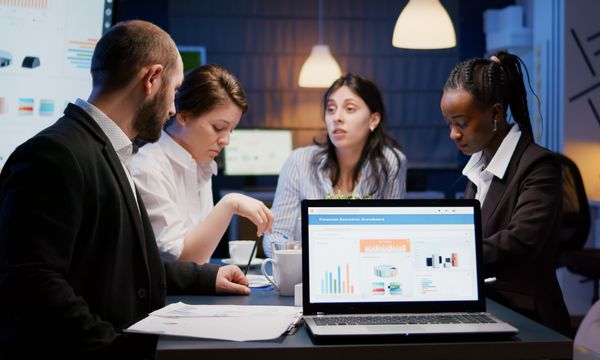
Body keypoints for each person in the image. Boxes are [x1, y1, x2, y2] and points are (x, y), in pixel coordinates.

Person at [0, 20, 251, 358]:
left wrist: (206, 279)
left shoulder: (108, 150)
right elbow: (33, 284)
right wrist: (117, 351)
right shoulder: (54, 154)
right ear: (152, 79)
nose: (174, 109)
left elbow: (125, 263)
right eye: (174, 91)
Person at [440, 51, 571, 335]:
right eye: (449, 123)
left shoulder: (540, 166)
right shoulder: (480, 164)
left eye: (461, 123)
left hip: (528, 317)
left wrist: (447, 256)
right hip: (489, 306)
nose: (453, 133)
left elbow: (520, 243)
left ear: (496, 113)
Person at [131, 64, 273, 264]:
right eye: (218, 128)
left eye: (230, 130)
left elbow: (199, 260)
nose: (226, 140)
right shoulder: (147, 168)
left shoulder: (201, 164)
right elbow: (179, 263)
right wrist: (230, 203)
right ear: (183, 116)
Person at [263, 73, 406, 255]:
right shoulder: (299, 161)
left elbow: (394, 236)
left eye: (350, 109)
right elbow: (274, 238)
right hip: (304, 276)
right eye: (331, 109)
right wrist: (303, 251)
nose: (336, 117)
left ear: (373, 120)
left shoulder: (391, 163)